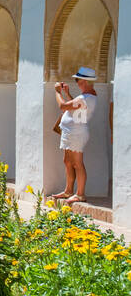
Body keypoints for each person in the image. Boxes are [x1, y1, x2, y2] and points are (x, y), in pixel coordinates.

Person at [50, 66, 99, 205]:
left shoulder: (86, 98)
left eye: (77, 80)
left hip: (76, 134)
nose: (77, 82)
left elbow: (63, 106)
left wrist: (57, 92)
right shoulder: (86, 97)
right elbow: (75, 109)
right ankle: (69, 191)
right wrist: (67, 93)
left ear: (84, 81)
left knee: (77, 163)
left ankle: (80, 194)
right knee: (68, 162)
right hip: (71, 133)